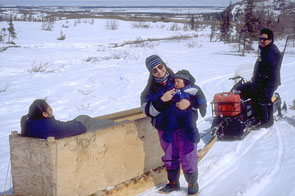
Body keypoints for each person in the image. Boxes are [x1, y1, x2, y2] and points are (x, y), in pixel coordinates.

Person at [140, 55, 206, 195]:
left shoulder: (179, 80)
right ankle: (173, 183)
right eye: (154, 70)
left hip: (184, 127)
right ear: (151, 73)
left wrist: (190, 103)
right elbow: (148, 111)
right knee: (170, 157)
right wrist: (161, 100)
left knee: (188, 156)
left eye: (160, 66)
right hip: (165, 129)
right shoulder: (149, 91)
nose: (159, 71)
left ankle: (192, 183)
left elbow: (196, 94)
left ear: (164, 65)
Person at [236, 28, 281, 128]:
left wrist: (261, 82)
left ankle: (266, 121)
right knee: (243, 90)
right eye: (260, 39)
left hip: (270, 82)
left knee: (263, 99)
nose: (261, 41)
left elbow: (270, 70)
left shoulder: (271, 52)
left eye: (264, 39)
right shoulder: (264, 50)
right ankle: (252, 114)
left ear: (270, 40)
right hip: (261, 80)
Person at [165, 69, 207, 144]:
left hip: (188, 112)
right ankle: (168, 138)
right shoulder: (173, 90)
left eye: (178, 81)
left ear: (185, 81)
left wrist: (202, 107)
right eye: (175, 82)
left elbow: (201, 98)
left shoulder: (193, 88)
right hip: (175, 112)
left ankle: (194, 137)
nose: (176, 83)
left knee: (190, 124)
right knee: (170, 122)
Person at [21, 99, 87, 139]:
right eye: (49, 109)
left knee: (82, 117)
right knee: (84, 119)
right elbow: (81, 127)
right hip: (81, 126)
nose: (52, 110)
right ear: (45, 114)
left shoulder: (28, 124)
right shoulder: (50, 126)